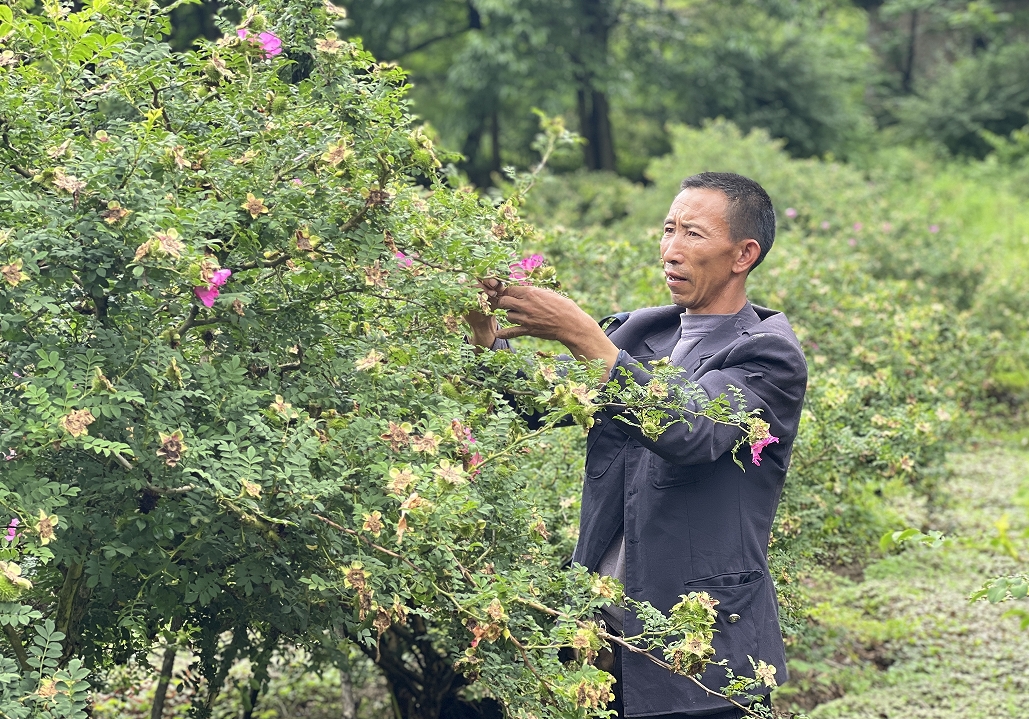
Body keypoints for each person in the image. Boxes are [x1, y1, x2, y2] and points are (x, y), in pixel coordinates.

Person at [466, 172, 808, 718]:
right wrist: (483, 336)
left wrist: (581, 336)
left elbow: (690, 431)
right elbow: (538, 404)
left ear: (744, 254)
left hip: (701, 653)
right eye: (668, 229)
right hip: (601, 641)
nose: (670, 249)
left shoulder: (768, 356)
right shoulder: (641, 333)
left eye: (692, 234)